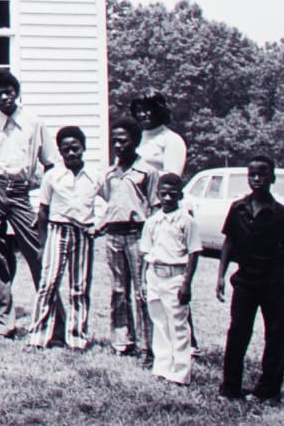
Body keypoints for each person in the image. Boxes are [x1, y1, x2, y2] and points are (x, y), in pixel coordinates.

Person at [0, 68, 56, 338]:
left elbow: (50, 164)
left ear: (16, 92)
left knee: (38, 254)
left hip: (21, 194)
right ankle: (3, 322)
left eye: (9, 91)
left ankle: (51, 321)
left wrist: (43, 202)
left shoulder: (34, 122)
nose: (5, 97)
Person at [216, 155, 284, 402]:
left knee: (275, 335)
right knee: (238, 332)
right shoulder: (238, 208)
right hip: (244, 281)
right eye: (252, 174)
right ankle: (230, 388)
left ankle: (268, 391)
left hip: (273, 282)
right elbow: (229, 242)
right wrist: (220, 275)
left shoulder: (281, 213)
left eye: (262, 174)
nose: (257, 179)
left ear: (272, 178)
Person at [26, 126, 101, 350]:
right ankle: (38, 336)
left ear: (83, 148)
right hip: (58, 231)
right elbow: (43, 212)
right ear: (59, 151)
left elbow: (114, 201)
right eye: (66, 149)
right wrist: (41, 243)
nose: (71, 154)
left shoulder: (96, 176)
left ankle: (77, 337)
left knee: (80, 286)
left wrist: (99, 226)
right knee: (48, 283)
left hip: (84, 233)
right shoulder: (52, 176)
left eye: (75, 149)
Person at [96, 117, 159, 363]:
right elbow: (108, 204)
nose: (118, 145)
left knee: (142, 292)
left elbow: (154, 208)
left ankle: (148, 346)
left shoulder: (147, 172)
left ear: (135, 141)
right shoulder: (109, 173)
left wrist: (151, 241)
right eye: (115, 141)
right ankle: (123, 341)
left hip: (137, 234)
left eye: (123, 140)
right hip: (113, 236)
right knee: (118, 290)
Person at [142, 173, 200, 386]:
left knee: (177, 323)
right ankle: (163, 366)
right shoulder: (152, 221)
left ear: (180, 196)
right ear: (157, 194)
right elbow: (147, 253)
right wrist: (144, 281)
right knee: (159, 322)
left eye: (172, 195)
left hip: (176, 275)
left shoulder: (187, 221)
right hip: (154, 275)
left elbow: (194, 253)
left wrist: (187, 283)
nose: (167, 198)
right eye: (163, 194)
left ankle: (180, 372)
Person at [131, 89, 187, 176]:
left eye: (147, 109)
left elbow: (171, 178)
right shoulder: (133, 138)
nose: (142, 114)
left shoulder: (171, 139)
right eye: (139, 110)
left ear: (158, 110)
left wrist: (141, 178)